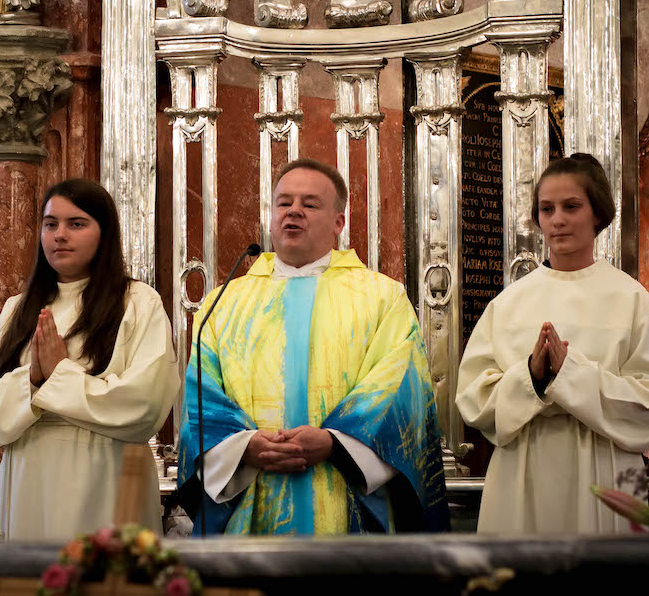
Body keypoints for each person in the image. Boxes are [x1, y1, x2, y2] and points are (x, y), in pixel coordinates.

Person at [176, 159, 449, 535]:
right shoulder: (223, 303)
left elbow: (400, 390)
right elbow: (201, 399)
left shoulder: (382, 296)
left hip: (344, 498)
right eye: (284, 202)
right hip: (251, 499)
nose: (294, 212)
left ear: (338, 223)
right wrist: (244, 447)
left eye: (310, 203)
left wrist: (335, 442)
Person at [456, 153, 649, 534]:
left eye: (571, 206)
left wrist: (570, 374)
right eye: (547, 209)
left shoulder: (631, 300)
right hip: (521, 473)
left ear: (598, 213)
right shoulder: (509, 303)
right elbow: (473, 399)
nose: (557, 219)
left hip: (603, 470)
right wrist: (532, 376)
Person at [0, 178, 178, 541]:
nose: (60, 234)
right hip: (28, 477)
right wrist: (33, 377)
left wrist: (56, 377)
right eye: (51, 224)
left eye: (76, 224)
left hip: (107, 480)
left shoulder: (138, 302)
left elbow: (145, 403)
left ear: (104, 233)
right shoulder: (18, 309)